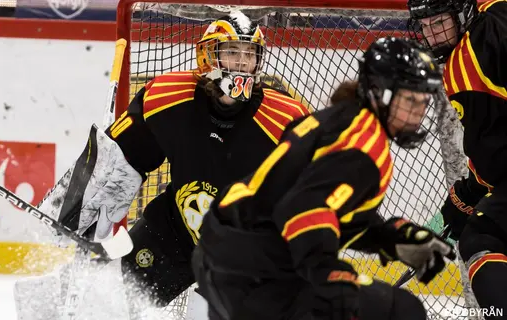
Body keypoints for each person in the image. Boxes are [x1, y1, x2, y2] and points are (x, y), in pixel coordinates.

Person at [29, 10, 311, 319]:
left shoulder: (287, 119)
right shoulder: (167, 98)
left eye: (249, 54)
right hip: (176, 232)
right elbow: (118, 158)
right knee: (106, 303)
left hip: (244, 257)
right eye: (232, 52)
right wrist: (72, 214)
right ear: (208, 55)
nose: (242, 63)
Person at [192, 36, 456, 320]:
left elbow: (320, 208)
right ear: (381, 93)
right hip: (258, 275)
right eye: (410, 100)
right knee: (402, 311)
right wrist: (330, 275)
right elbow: (303, 210)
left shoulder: (341, 118)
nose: (419, 112)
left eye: (423, 101)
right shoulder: (364, 146)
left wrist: (388, 238)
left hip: (223, 259)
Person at [407, 0, 507, 314]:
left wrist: (467, 194)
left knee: (481, 236)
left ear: (461, 14)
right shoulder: (497, 8)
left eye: (439, 24)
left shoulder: (464, 67)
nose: (432, 36)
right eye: (425, 27)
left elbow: (493, 162)